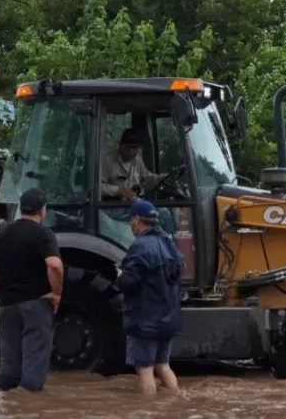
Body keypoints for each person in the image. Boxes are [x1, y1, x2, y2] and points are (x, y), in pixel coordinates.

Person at [0, 188, 64, 392]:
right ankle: (26, 406)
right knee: (34, 362)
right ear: (42, 210)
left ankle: (8, 404)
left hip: (6, 306)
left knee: (9, 363)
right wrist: (57, 293)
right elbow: (55, 265)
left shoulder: (3, 232)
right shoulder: (43, 234)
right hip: (36, 304)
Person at [115, 199, 184, 395]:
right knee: (163, 366)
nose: (130, 225)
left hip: (146, 320)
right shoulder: (170, 244)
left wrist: (119, 275)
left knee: (144, 369)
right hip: (169, 317)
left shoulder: (140, 246)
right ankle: (172, 404)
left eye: (130, 221)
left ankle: (149, 410)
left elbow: (128, 282)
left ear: (137, 220)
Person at [101, 128, 162, 200]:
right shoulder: (108, 160)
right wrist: (118, 190)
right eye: (128, 147)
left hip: (137, 200)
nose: (131, 152)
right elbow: (98, 187)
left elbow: (147, 178)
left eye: (134, 147)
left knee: (163, 211)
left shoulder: (137, 160)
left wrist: (163, 178)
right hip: (116, 205)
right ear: (120, 145)